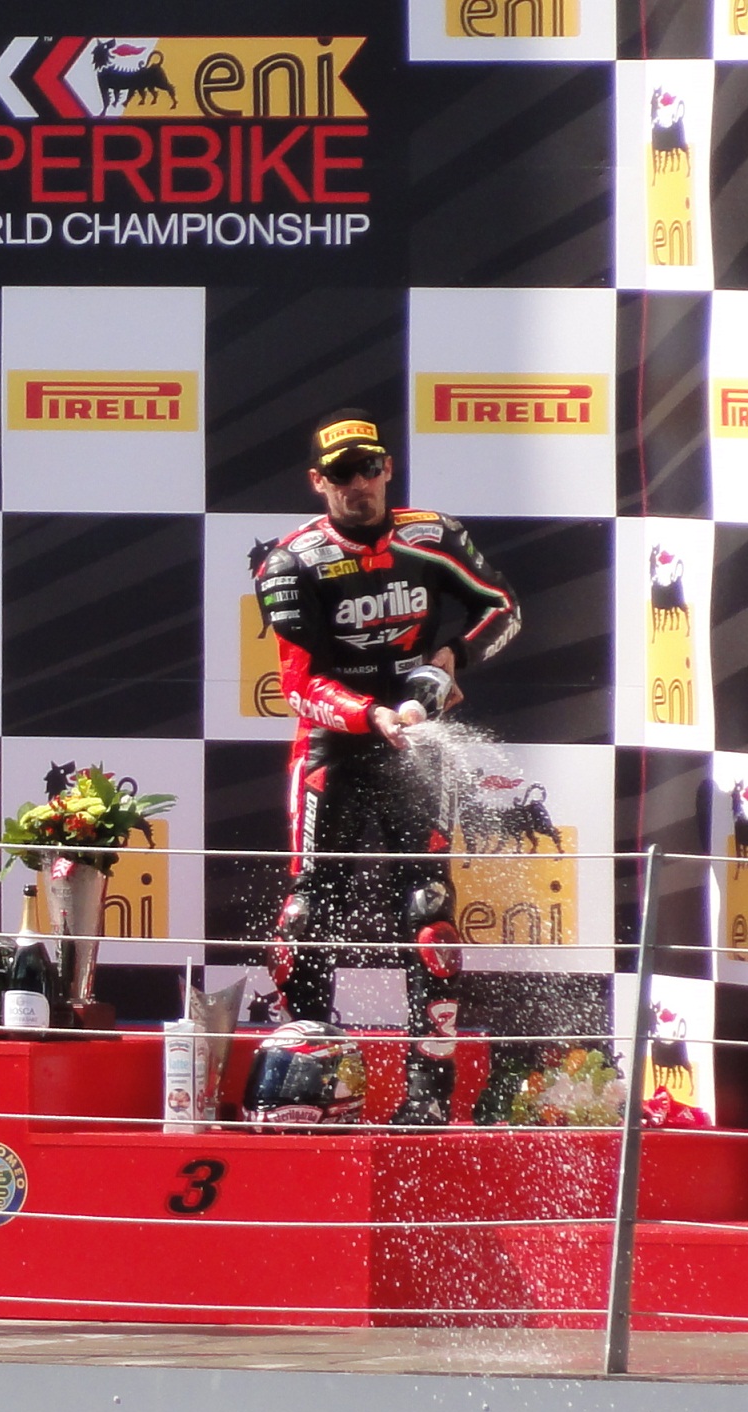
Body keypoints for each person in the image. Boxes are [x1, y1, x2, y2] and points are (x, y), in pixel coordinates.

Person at [251, 410, 520, 1126]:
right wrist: (369, 715)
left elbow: (503, 608)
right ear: (318, 482)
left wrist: (449, 660)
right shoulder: (291, 561)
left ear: (387, 469)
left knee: (428, 913)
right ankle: (308, 1086)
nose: (358, 484)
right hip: (332, 745)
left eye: (368, 468)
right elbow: (297, 685)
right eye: (341, 474)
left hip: (418, 741)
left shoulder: (431, 536)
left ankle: (428, 1091)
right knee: (307, 914)